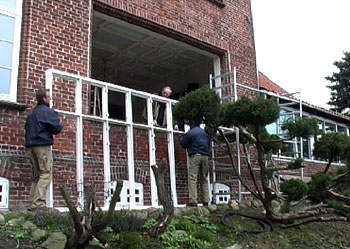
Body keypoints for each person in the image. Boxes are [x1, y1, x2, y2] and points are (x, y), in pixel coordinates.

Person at [25, 88, 63, 210]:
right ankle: (38, 204)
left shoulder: (32, 113)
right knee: (46, 173)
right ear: (44, 99)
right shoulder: (47, 112)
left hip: (31, 147)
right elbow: (57, 129)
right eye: (49, 97)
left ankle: (31, 202)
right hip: (42, 146)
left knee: (37, 175)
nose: (50, 99)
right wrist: (58, 122)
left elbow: (27, 128)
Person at [180, 120, 211, 207]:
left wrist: (181, 137)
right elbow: (209, 145)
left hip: (195, 156)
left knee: (192, 178)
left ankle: (193, 200)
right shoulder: (205, 133)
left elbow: (183, 144)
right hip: (205, 157)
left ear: (192, 124)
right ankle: (206, 200)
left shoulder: (191, 133)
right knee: (204, 178)